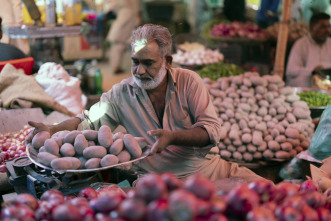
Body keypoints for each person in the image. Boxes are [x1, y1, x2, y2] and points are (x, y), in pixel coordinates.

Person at [25, 24, 264, 183]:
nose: (139, 71)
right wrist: (54, 129)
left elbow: (211, 130)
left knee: (266, 192)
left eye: (148, 63)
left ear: (167, 60)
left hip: (206, 171)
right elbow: (87, 121)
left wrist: (173, 136)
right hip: (155, 182)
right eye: (134, 62)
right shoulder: (120, 93)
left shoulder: (189, 81)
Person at [285, 12, 331, 87]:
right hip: (306, 89)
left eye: (328, 27)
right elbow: (290, 71)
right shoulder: (300, 44)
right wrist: (312, 71)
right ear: (312, 28)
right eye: (323, 27)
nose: (327, 30)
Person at [104, 0, 141, 74]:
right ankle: (117, 67)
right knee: (120, 45)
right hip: (128, 17)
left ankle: (117, 66)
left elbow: (113, 7)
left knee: (120, 45)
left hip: (125, 17)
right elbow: (136, 7)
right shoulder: (129, 10)